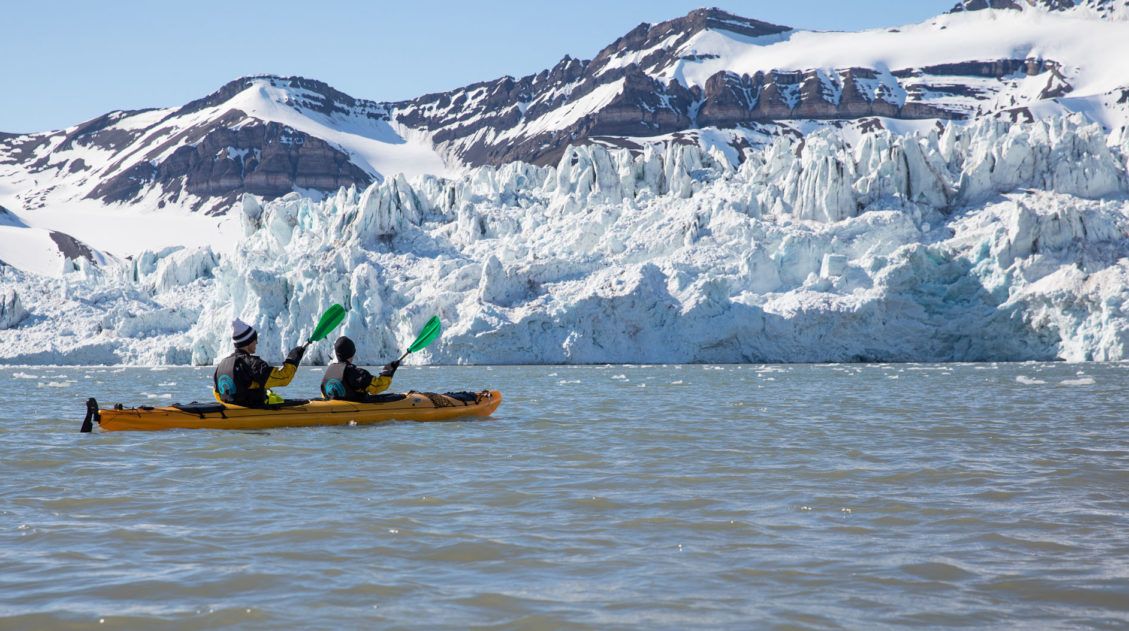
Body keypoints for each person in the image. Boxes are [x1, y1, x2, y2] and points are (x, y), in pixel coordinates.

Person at [213, 318, 306, 407]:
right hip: (253, 412)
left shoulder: (222, 364)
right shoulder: (253, 364)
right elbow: (284, 378)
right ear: (248, 342)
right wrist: (293, 358)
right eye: (255, 340)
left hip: (230, 412)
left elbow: (217, 393)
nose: (256, 343)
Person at [321, 335, 400, 402]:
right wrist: (387, 373)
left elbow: (324, 393)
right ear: (352, 353)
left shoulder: (330, 370)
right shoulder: (355, 373)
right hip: (355, 409)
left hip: (332, 407)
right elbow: (377, 387)